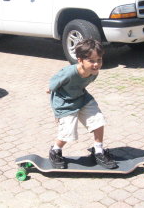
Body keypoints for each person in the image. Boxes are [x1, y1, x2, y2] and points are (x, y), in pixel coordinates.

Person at [47, 39, 117, 169]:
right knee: (68, 131)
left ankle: (98, 151)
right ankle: (55, 151)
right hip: (64, 102)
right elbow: (54, 81)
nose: (96, 64)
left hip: (82, 97)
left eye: (99, 60)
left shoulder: (94, 73)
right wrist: (50, 88)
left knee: (98, 120)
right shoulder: (69, 72)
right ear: (80, 60)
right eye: (91, 61)